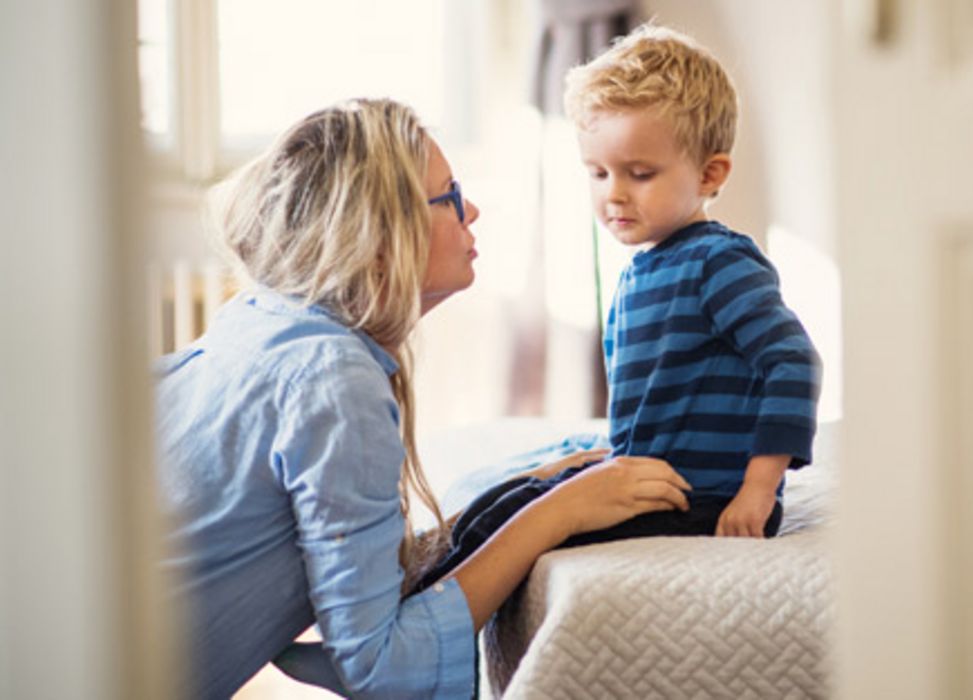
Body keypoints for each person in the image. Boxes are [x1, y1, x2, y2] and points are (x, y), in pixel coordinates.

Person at [154, 98, 692, 699]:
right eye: (450, 196)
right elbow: (381, 667)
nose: (474, 210)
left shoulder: (260, 322)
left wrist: (533, 488)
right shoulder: (332, 378)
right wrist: (559, 512)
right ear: (380, 239)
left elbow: (363, 567)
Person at [397, 24, 823, 599]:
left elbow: (794, 363)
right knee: (508, 494)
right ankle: (407, 593)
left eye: (640, 174)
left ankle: (419, 610)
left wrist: (758, 490)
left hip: (703, 497)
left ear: (710, 174)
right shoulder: (645, 269)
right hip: (654, 479)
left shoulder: (719, 263)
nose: (614, 194)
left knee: (529, 522)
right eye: (597, 173)